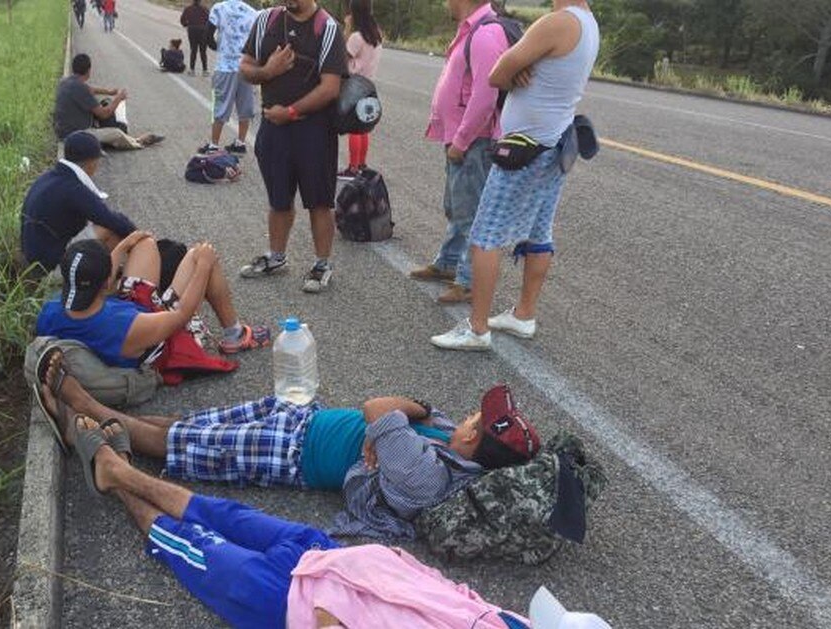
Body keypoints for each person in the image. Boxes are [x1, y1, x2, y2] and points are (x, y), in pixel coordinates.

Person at [54, 414, 609, 628]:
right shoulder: (513, 624)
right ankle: (118, 471)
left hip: (293, 603)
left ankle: (114, 471)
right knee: (221, 513)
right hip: (328, 555)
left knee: (191, 546)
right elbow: (453, 593)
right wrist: (394, 560)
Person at [33, 352, 537, 537]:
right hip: (303, 418)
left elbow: (377, 406)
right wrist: (417, 411)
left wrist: (397, 416)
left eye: (479, 415)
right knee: (190, 423)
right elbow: (391, 410)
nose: (471, 411)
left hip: (290, 453)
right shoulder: (447, 439)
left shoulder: (430, 473)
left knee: (181, 444)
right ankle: (100, 414)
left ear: (475, 436)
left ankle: (84, 408)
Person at [431, 0, 599, 350]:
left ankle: (477, 328)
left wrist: (517, 65)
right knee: (538, 231)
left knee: (484, 235)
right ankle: (524, 314)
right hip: (555, 142)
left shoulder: (556, 23)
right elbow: (513, 68)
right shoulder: (587, 22)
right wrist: (519, 64)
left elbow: (496, 74)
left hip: (526, 147)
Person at [237, 0, 348, 294]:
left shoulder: (327, 28)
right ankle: (276, 257)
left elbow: (330, 87)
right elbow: (245, 66)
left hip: (314, 129)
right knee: (278, 198)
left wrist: (291, 113)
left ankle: (322, 264)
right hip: (272, 127)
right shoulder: (266, 21)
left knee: (319, 200)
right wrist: (267, 72)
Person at [36, 236, 268, 373]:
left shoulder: (51, 312)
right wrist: (205, 266)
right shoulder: (124, 325)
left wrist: (124, 244)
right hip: (159, 340)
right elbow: (181, 315)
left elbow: (99, 291)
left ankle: (192, 260)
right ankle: (234, 335)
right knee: (200, 254)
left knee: (144, 243)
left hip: (128, 319)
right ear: (108, 282)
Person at [409, 0, 509, 305]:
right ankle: (448, 263)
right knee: (456, 207)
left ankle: (468, 281)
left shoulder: (485, 34)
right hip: (461, 139)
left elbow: (485, 97)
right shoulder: (471, 30)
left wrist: (462, 142)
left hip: (473, 142)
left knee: (470, 214)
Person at [21, 131, 140, 273]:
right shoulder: (73, 188)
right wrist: (140, 237)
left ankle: (113, 269)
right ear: (91, 162)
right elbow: (111, 219)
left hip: (36, 260)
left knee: (102, 225)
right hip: (54, 267)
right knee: (109, 229)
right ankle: (124, 275)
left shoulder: (49, 177)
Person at [54, 53, 165, 150]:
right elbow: (104, 114)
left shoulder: (66, 81)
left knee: (104, 105)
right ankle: (139, 142)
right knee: (116, 134)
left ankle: (129, 139)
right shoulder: (81, 88)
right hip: (75, 135)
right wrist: (118, 99)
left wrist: (109, 92)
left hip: (62, 131)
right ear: (89, 70)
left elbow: (90, 89)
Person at [197, 0, 259, 155]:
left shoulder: (219, 8)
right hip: (247, 67)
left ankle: (214, 145)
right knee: (245, 107)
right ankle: (240, 143)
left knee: (220, 105)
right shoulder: (252, 12)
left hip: (225, 67)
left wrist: (221, 48)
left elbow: (208, 37)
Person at [337, 0, 382, 179]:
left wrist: (347, 28)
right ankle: (361, 164)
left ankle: (353, 168)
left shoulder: (357, 37)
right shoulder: (377, 34)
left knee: (354, 127)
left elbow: (341, 55)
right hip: (369, 84)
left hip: (354, 85)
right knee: (363, 127)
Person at [180, 0, 210, 76]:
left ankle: (192, 70)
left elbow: (182, 20)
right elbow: (209, 20)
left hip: (192, 30)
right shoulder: (205, 9)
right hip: (203, 30)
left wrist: (187, 25)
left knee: (193, 50)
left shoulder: (188, 8)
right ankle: (205, 70)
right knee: (203, 51)